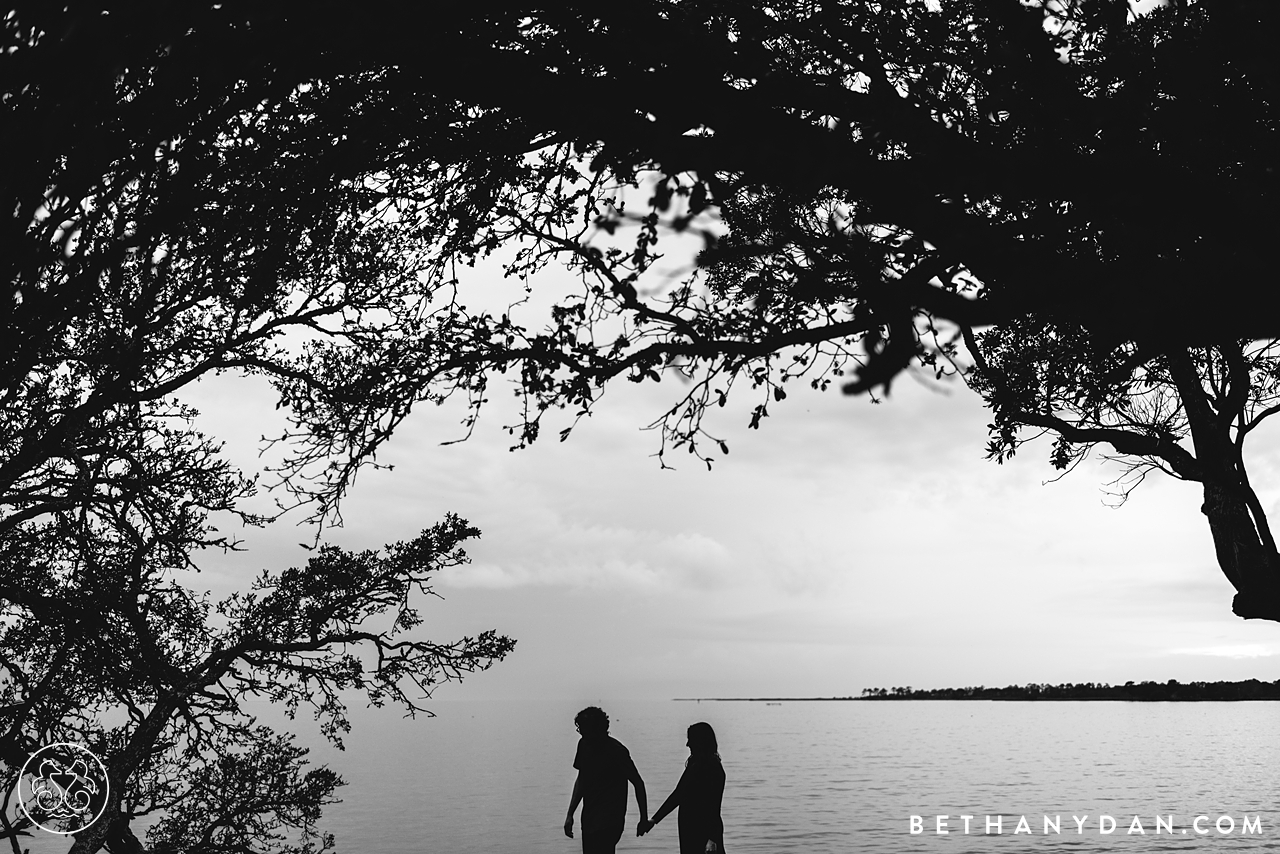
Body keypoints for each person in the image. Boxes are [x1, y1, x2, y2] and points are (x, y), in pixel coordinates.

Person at [564, 706, 649, 853]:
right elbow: (581, 780)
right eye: (580, 730)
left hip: (610, 820)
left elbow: (638, 783)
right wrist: (570, 814)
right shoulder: (584, 744)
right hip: (589, 817)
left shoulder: (617, 752)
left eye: (585, 730)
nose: (582, 733)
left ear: (598, 729)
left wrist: (643, 819)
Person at [639, 722, 726, 853]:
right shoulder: (694, 763)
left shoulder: (713, 767)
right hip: (689, 829)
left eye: (691, 740)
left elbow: (714, 807)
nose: (687, 744)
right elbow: (678, 795)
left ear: (700, 741)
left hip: (704, 831)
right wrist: (654, 820)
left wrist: (712, 838)